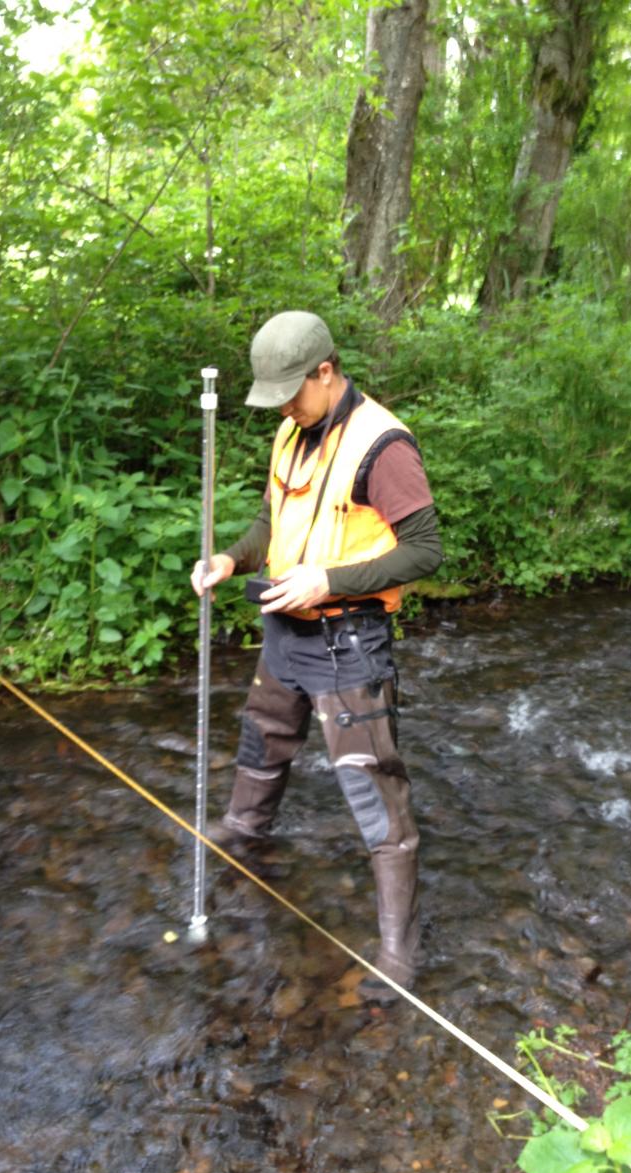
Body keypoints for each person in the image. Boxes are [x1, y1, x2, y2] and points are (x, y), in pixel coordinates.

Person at [191, 310, 441, 999]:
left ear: (325, 372)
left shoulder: (381, 445)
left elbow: (425, 550)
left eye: (291, 393)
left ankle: (399, 952)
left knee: (370, 787)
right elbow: (276, 519)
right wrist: (229, 557)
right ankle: (242, 837)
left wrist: (327, 581)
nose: (285, 409)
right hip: (285, 631)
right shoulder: (292, 430)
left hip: (348, 641)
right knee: (263, 737)